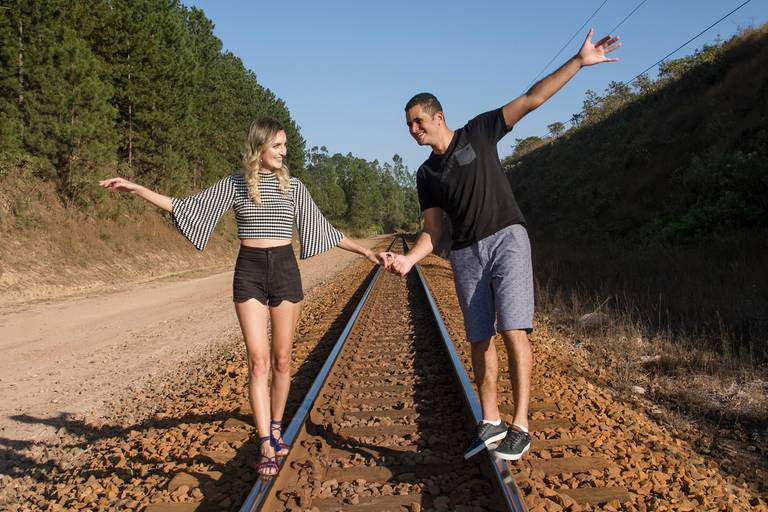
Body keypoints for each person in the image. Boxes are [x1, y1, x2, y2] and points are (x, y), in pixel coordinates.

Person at [381, 29, 620, 461]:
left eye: (418, 121)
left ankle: (521, 425)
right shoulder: (425, 176)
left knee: (513, 330)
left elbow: (531, 99)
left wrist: (579, 62)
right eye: (408, 125)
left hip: (508, 238)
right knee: (479, 338)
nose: (413, 130)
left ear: (438, 116)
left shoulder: (479, 131)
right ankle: (490, 420)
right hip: (466, 254)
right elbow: (433, 231)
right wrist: (410, 260)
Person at [99, 117, 380, 477]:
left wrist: (368, 253)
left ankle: (277, 427)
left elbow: (325, 230)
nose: (283, 151)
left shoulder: (293, 187)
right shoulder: (235, 184)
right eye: (277, 145)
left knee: (281, 360)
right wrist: (136, 189)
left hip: (284, 271)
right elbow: (183, 206)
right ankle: (265, 442)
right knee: (258, 361)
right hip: (248, 272)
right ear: (259, 146)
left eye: (284, 146)